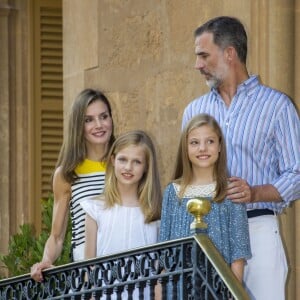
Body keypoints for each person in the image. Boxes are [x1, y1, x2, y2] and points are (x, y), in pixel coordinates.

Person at [182, 16, 300, 300]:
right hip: (207, 232)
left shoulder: (277, 106)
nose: (197, 64)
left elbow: (297, 173)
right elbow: (183, 174)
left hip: (258, 228)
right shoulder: (193, 111)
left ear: (229, 53)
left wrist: (255, 192)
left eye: (203, 55)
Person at [30, 88, 115, 282]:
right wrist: (45, 260)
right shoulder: (66, 173)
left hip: (125, 263)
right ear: (78, 125)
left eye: (104, 116)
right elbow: (57, 236)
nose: (99, 125)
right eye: (89, 120)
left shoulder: (124, 161)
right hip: (87, 273)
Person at [159, 113, 251, 283]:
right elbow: (164, 253)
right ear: (185, 148)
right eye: (194, 142)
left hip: (217, 288)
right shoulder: (173, 192)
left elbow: (238, 255)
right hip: (179, 288)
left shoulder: (231, 191)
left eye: (210, 141)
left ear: (220, 146)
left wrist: (231, 293)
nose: (202, 148)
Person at [80, 130, 162, 299]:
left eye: (137, 162)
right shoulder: (95, 208)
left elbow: (160, 270)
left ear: (146, 167)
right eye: (123, 159)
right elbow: (89, 267)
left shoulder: (155, 214)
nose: (128, 167)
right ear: (112, 160)